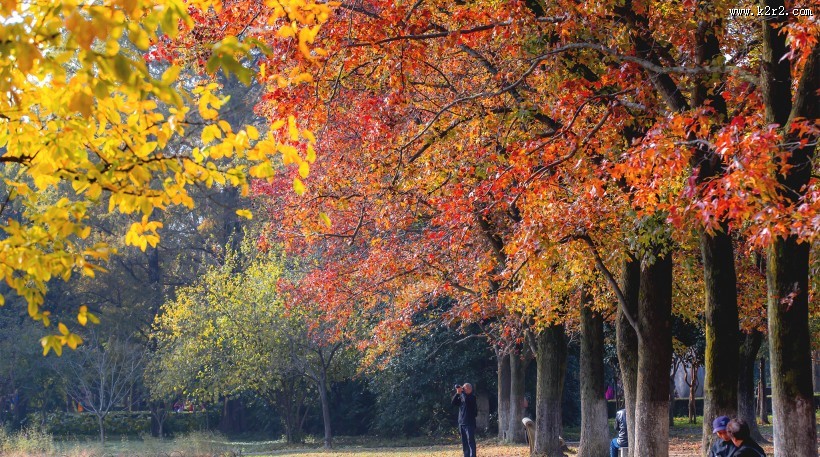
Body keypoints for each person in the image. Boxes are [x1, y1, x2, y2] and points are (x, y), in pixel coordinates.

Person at [451, 382, 477, 457]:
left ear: (469, 389)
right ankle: (466, 455)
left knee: (470, 441)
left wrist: (462, 392)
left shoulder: (472, 397)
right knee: (464, 442)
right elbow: (453, 403)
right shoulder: (462, 396)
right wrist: (457, 393)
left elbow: (466, 401)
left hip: (469, 423)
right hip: (462, 423)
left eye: (464, 388)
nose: (463, 389)